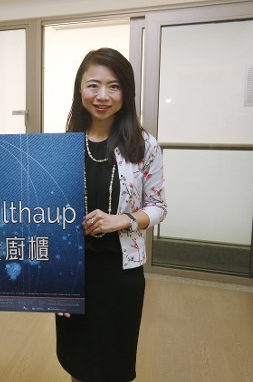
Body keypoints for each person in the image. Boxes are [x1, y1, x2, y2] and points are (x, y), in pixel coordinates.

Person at [55, 48, 167, 382]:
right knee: (77, 359)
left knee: (113, 363)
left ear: (126, 92)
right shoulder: (63, 145)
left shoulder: (144, 145)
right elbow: (49, 214)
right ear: (80, 89)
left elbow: (158, 206)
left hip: (120, 273)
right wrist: (51, 282)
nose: (102, 96)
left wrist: (124, 220)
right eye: (93, 85)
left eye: (114, 86)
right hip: (73, 271)